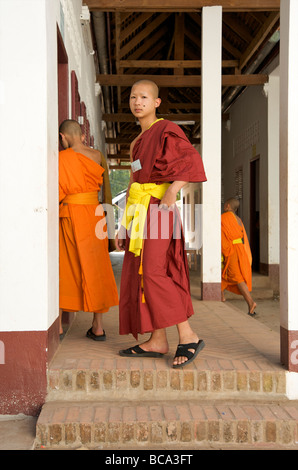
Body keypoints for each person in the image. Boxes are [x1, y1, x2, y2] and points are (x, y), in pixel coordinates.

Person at [116, 80, 207, 368]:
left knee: (154, 272)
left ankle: (188, 335)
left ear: (156, 102)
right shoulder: (136, 143)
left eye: (144, 97)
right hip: (140, 211)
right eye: (133, 97)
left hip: (160, 209)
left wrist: (172, 190)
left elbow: (191, 161)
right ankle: (157, 340)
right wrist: (122, 224)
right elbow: (134, 183)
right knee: (144, 273)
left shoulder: (167, 129)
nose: (137, 102)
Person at [59, 119, 118, 341]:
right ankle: (98, 327)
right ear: (82, 135)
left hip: (71, 216)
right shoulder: (97, 156)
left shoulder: (62, 158)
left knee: (67, 266)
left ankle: (58, 327)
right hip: (95, 216)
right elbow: (106, 193)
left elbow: (57, 192)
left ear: (63, 137)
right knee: (98, 267)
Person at [221, 198, 257, 316]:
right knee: (225, 272)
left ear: (227, 206)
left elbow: (221, 236)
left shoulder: (224, 217)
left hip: (232, 250)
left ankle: (250, 302)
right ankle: (221, 296)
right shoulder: (238, 219)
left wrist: (223, 250)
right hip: (240, 249)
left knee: (236, 276)